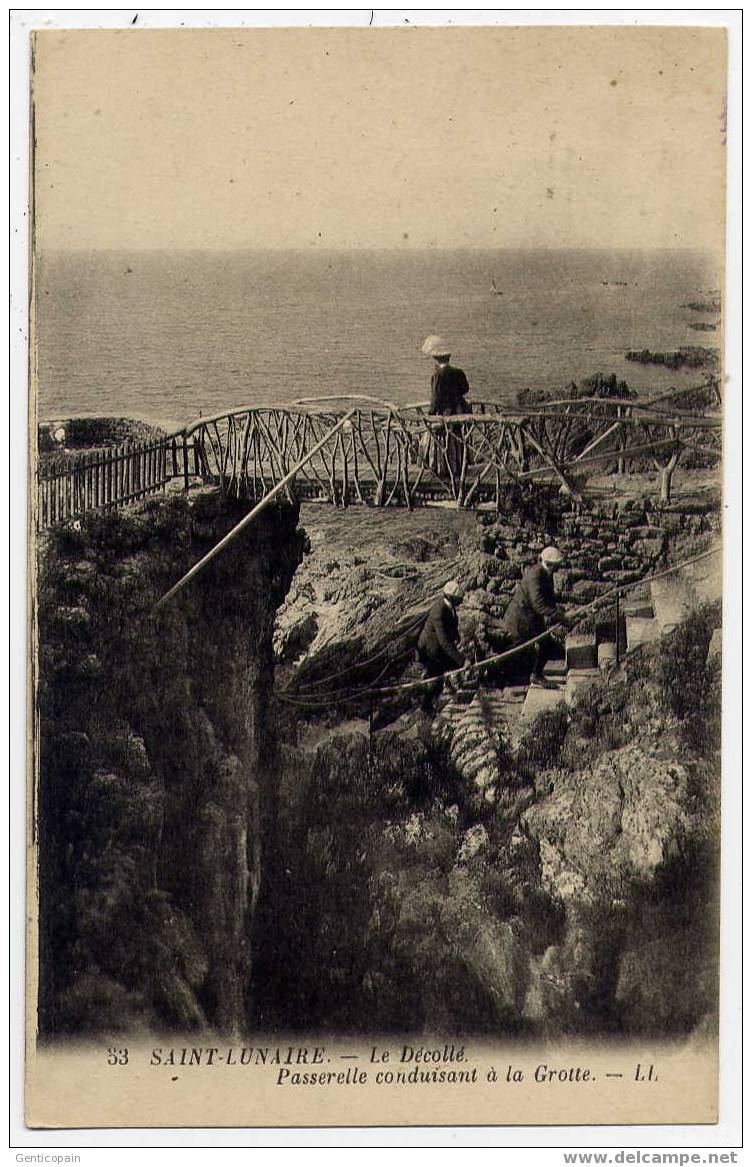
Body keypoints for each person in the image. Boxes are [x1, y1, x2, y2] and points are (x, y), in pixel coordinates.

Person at [499, 547, 572, 688]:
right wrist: (561, 616)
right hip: (520, 620)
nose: (557, 570)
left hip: (531, 618)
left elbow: (549, 600)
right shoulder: (535, 575)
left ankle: (536, 675)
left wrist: (561, 616)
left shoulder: (547, 574)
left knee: (547, 644)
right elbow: (538, 604)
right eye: (556, 566)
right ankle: (495, 678)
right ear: (549, 564)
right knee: (512, 651)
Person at [420, 336, 472, 479]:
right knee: (457, 437)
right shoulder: (458, 372)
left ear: (436, 358)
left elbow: (435, 398)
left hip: (445, 412)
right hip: (459, 410)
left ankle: (443, 468)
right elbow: (465, 389)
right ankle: (459, 465)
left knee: (442, 438)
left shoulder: (437, 376)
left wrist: (430, 414)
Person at [417, 579, 466, 712]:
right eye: (458, 598)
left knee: (441, 675)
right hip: (430, 650)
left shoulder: (449, 607)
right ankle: (426, 707)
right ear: (451, 597)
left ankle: (432, 702)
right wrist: (461, 660)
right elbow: (443, 640)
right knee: (437, 677)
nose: (461, 600)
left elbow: (452, 626)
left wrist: (456, 637)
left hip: (438, 647)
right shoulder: (438, 610)